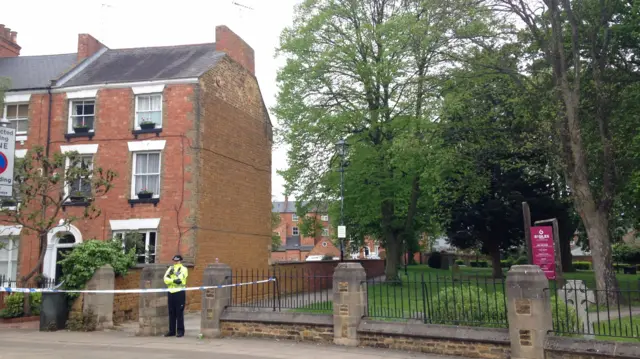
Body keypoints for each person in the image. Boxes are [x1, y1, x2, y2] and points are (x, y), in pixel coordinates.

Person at [163, 254, 188, 337]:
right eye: (175, 260)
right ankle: (172, 331)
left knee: (179, 312)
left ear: (180, 260)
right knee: (171, 312)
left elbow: (180, 280)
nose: (176, 262)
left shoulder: (184, 269)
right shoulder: (171, 268)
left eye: (177, 260)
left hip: (179, 292)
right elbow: (165, 279)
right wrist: (173, 280)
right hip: (171, 292)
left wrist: (171, 280)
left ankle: (180, 331)